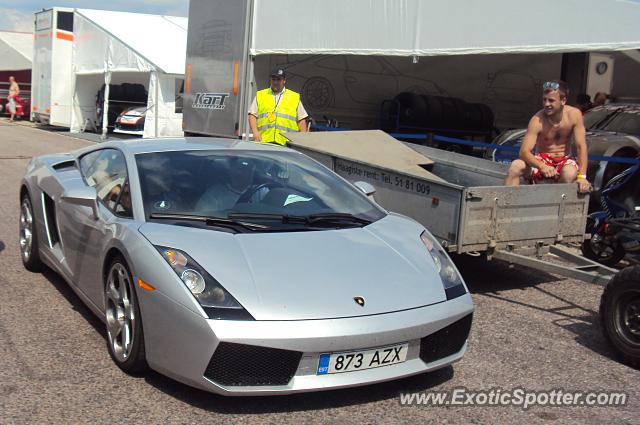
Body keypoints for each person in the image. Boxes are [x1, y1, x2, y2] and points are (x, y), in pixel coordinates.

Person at [504, 80, 591, 193]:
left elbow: (581, 146)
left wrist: (582, 177)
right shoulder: (537, 120)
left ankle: (557, 205)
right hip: (542, 159)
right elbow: (524, 152)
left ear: (563, 101)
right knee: (516, 166)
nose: (546, 104)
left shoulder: (574, 115)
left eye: (551, 100)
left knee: (569, 173)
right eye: (544, 99)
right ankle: (507, 205)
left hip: (563, 159)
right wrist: (541, 166)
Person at [247, 68, 308, 145]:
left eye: (278, 79)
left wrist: (302, 139)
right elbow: (252, 115)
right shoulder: (261, 95)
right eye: (273, 79)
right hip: (264, 141)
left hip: (286, 143)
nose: (275, 82)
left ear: (284, 81)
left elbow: (301, 119)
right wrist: (255, 133)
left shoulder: (294, 97)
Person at [195, 157, 263, 213]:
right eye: (239, 169)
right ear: (230, 172)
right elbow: (204, 219)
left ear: (253, 173)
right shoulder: (215, 195)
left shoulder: (260, 191)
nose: (242, 174)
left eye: (247, 170)